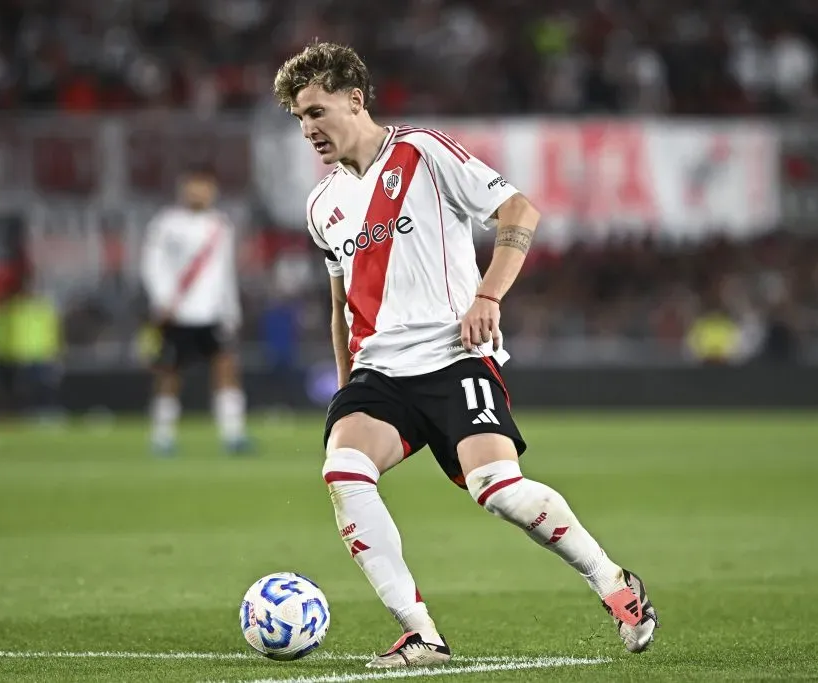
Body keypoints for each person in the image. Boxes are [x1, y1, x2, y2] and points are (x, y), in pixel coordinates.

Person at [272, 42, 659, 669]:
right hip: (380, 375)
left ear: (354, 98)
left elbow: (519, 209)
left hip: (454, 359)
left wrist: (488, 295)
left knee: (498, 489)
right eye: (298, 118)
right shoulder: (323, 206)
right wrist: (347, 387)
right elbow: (340, 304)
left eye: (316, 111)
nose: (308, 127)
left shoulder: (421, 153)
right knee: (343, 472)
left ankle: (615, 584)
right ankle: (421, 633)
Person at [140, 165, 249, 454]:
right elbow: (152, 265)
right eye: (194, 185)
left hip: (213, 313)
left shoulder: (221, 225)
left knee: (226, 370)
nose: (199, 192)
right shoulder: (166, 224)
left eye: (205, 186)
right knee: (169, 375)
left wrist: (231, 310)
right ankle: (162, 437)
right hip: (178, 313)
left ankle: (233, 435)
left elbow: (226, 274)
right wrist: (162, 301)